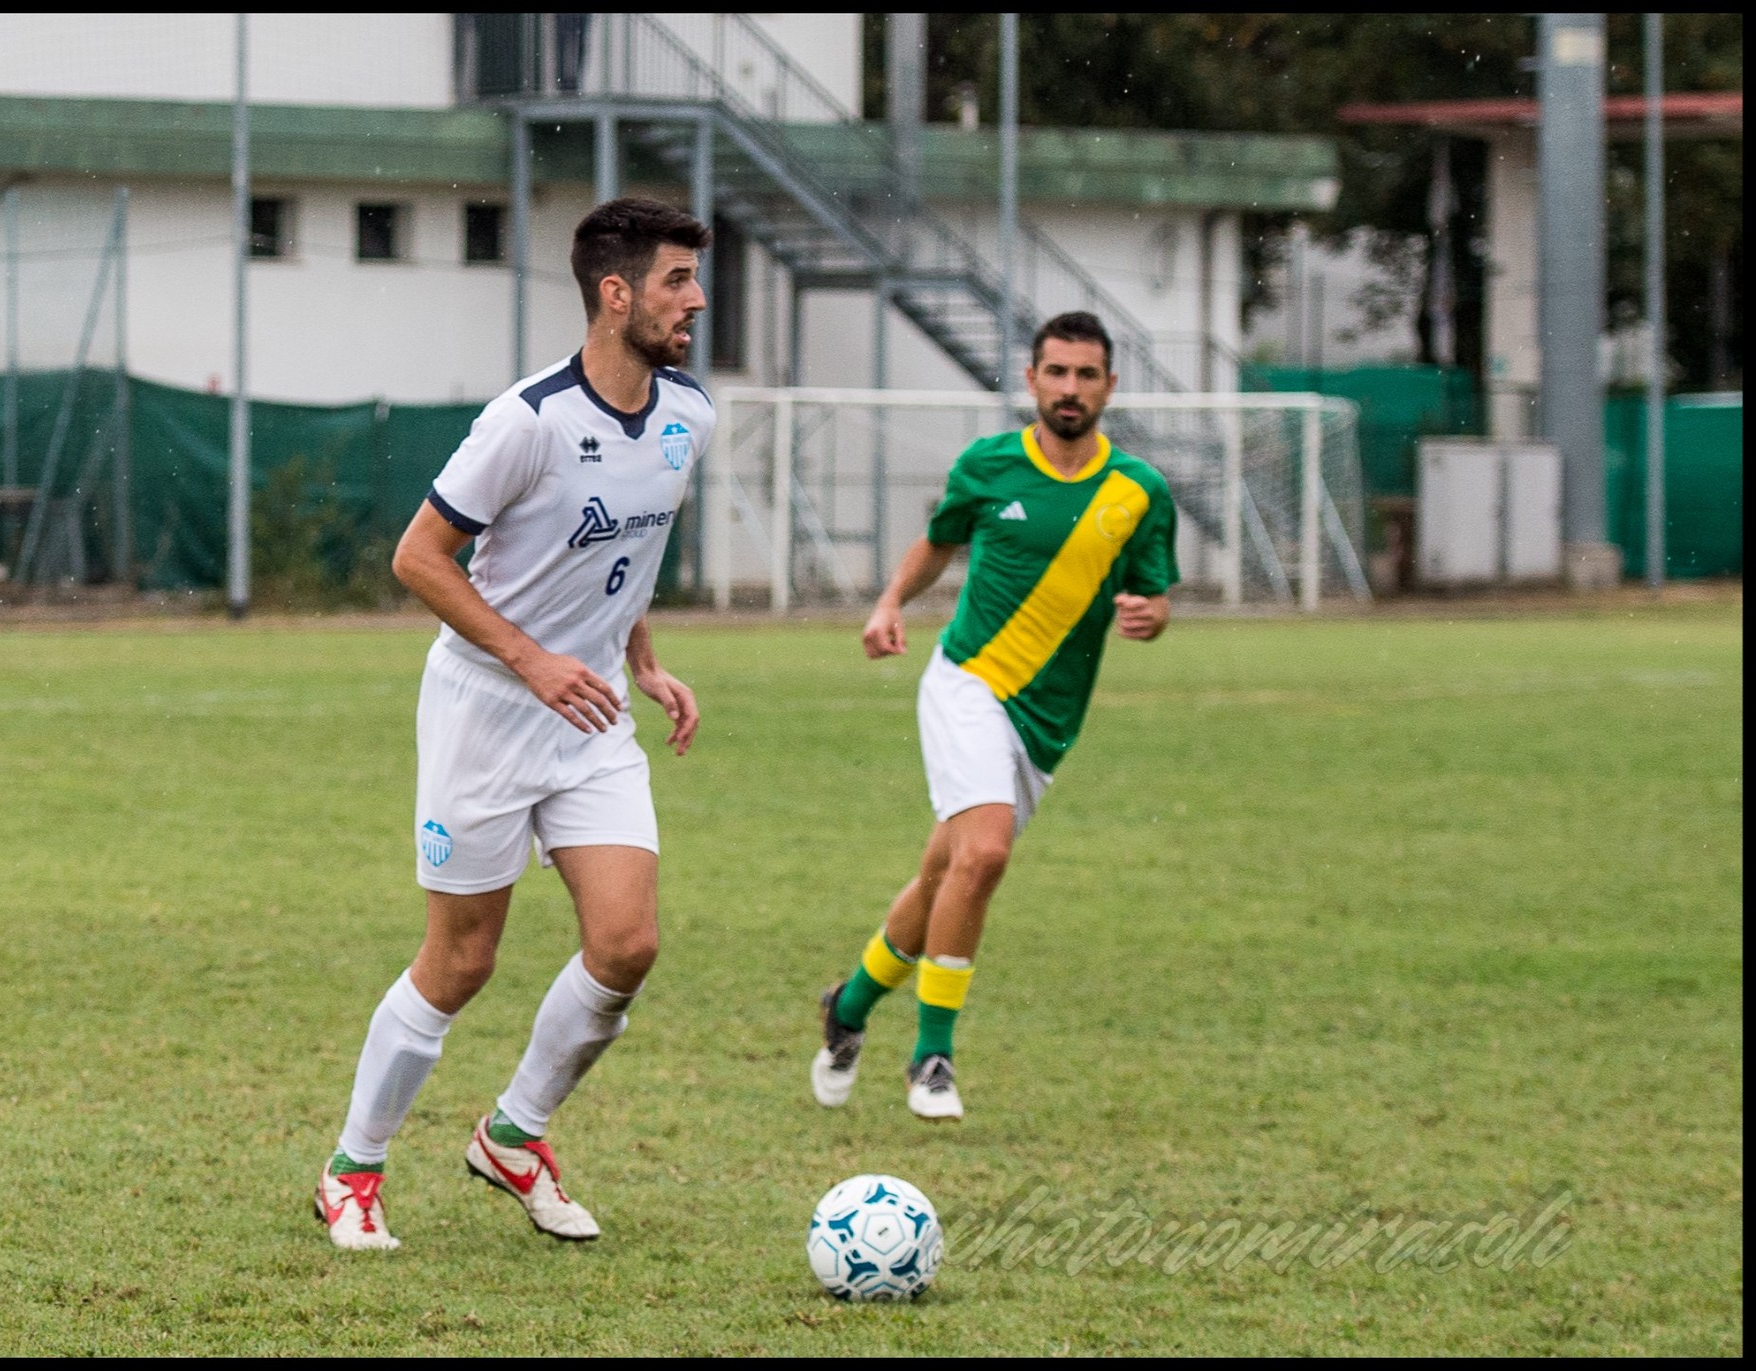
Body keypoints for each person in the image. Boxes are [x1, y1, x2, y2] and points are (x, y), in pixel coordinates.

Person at [315, 198, 714, 1249]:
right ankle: (353, 1169)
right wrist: (528, 657)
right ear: (614, 294)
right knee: (462, 960)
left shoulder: (687, 416)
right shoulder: (527, 419)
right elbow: (417, 558)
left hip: (588, 716)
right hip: (484, 714)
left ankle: (513, 1135)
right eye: (676, 281)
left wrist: (643, 657)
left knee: (626, 942)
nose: (695, 300)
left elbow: (620, 555)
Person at [811, 311, 1178, 1122]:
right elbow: (938, 541)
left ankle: (849, 1005)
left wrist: (1152, 615)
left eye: (1087, 375)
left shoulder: (1139, 493)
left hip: (1048, 722)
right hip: (967, 681)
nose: (1071, 389)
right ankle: (932, 1055)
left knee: (946, 873)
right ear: (1032, 379)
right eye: (1057, 372)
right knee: (983, 855)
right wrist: (889, 602)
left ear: (1109, 386)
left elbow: (1152, 593)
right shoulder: (989, 465)